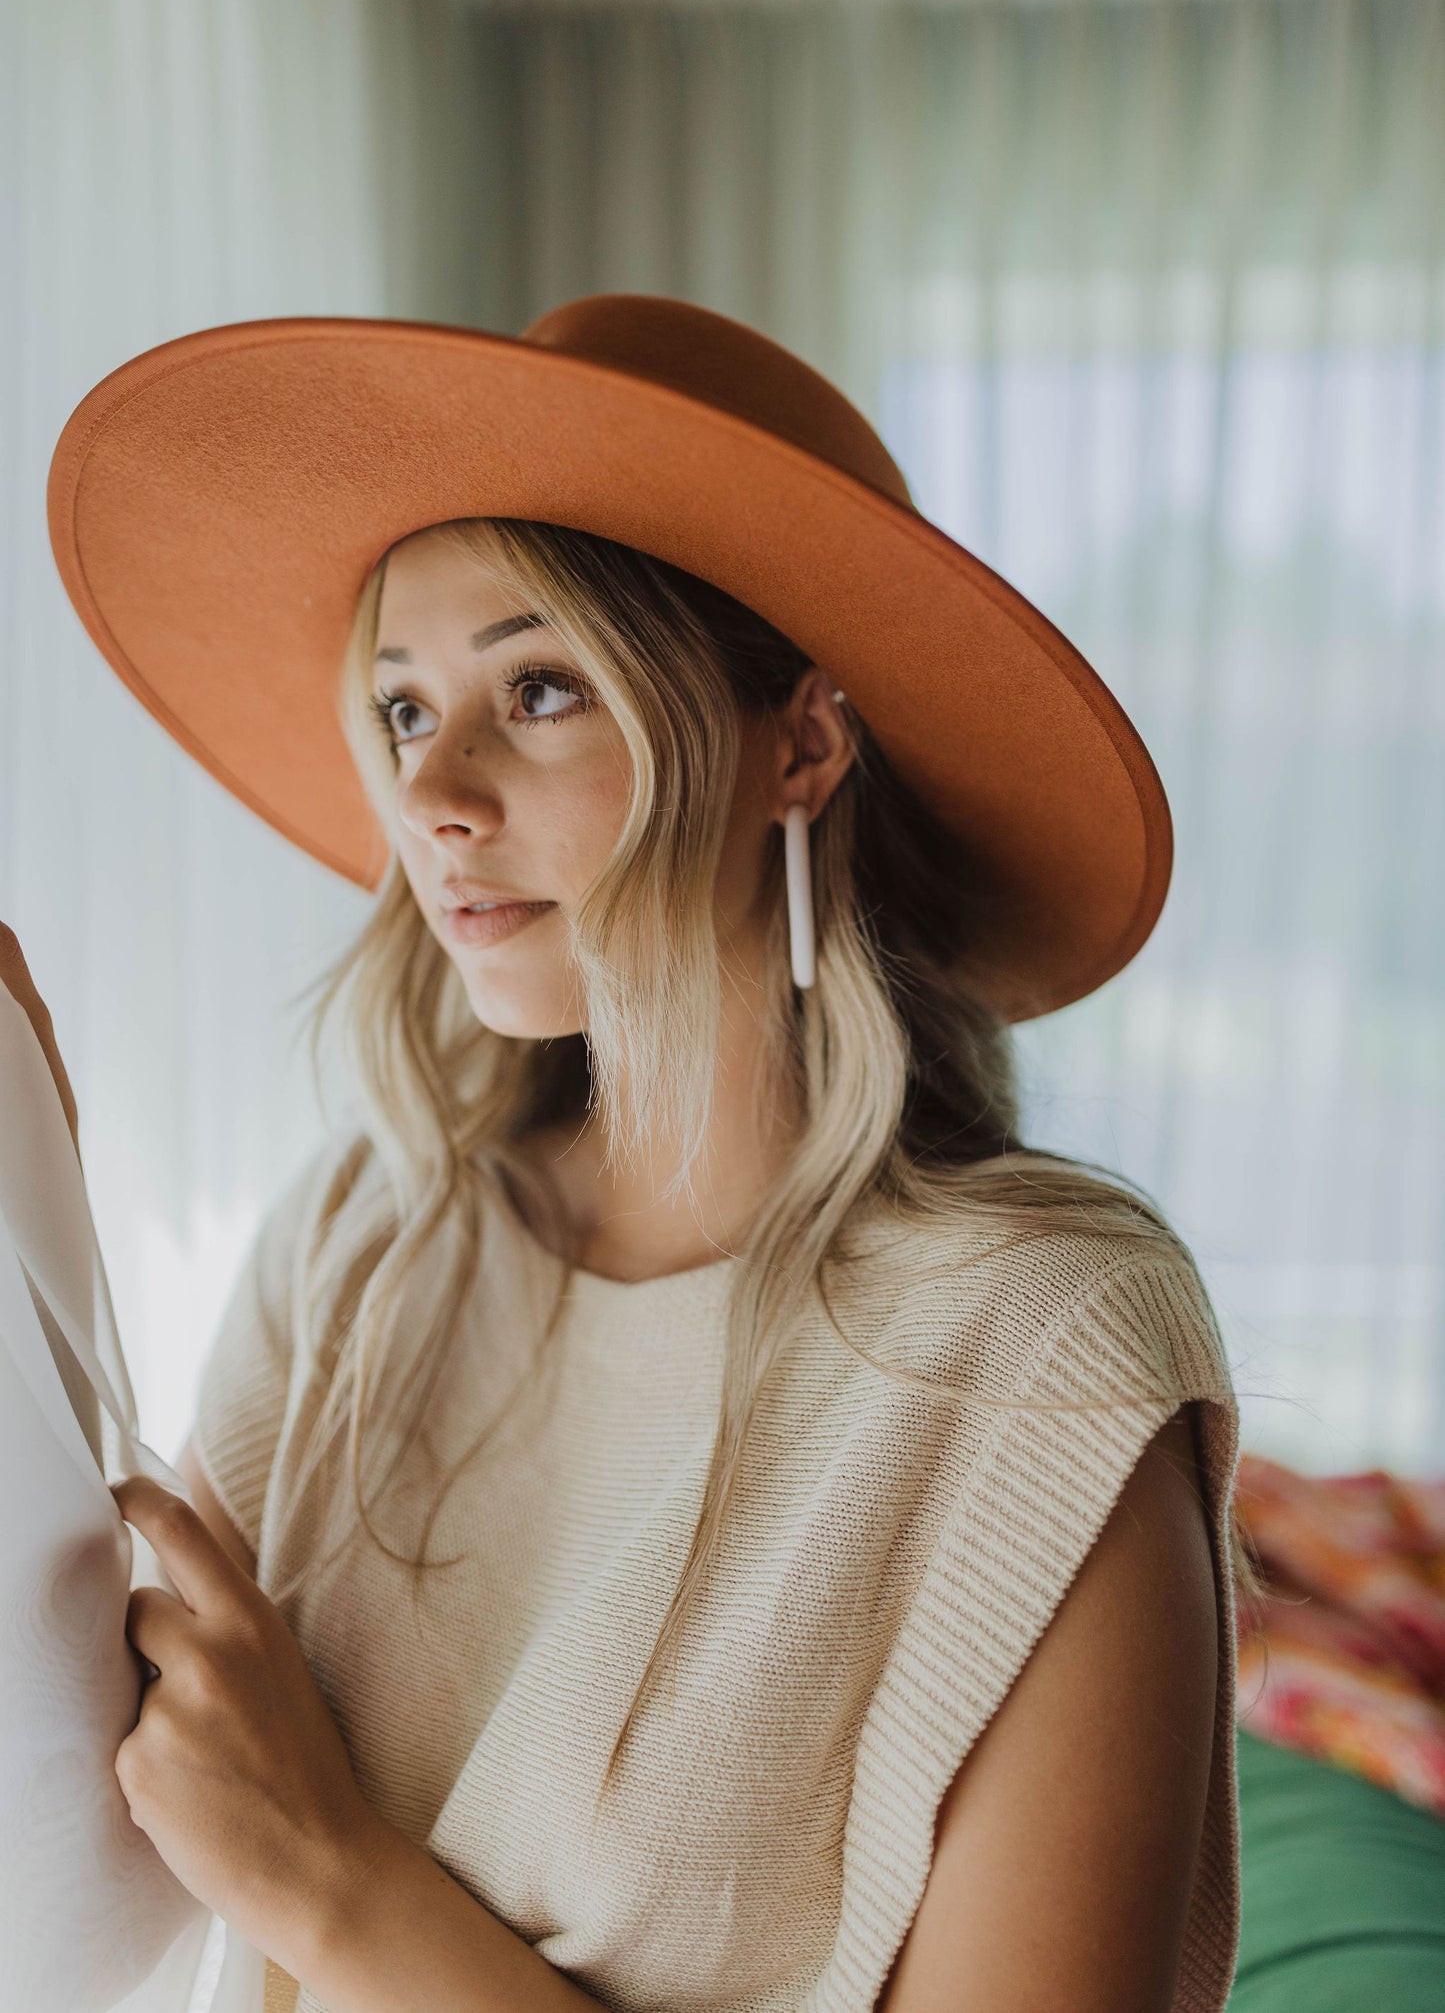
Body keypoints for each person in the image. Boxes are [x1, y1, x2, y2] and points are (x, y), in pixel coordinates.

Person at [43, 295, 1245, 2013]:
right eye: (400, 709)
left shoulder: (1044, 1361)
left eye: (536, 689)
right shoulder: (357, 1244)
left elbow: (278, 1867)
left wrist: (340, 1887)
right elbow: (116, 1823)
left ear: (799, 745)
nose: (434, 794)